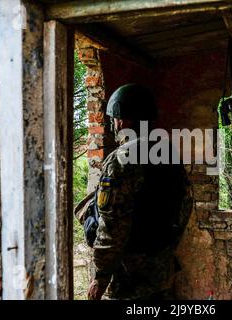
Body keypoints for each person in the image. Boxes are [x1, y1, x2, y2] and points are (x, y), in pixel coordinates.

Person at [86, 83, 191, 300]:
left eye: (114, 118)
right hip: (161, 270)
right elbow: (185, 206)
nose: (113, 123)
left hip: (128, 278)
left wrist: (101, 275)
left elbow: (113, 225)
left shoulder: (121, 160)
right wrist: (165, 251)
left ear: (123, 119)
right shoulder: (168, 153)